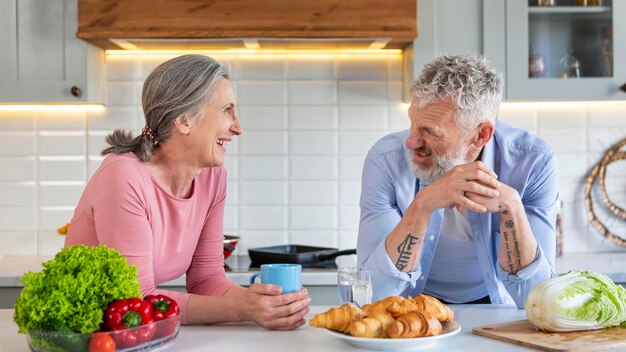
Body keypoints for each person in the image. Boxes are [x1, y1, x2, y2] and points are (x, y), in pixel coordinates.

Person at [65, 54, 310, 330]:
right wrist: (242, 308)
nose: (238, 127)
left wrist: (262, 304)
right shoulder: (124, 177)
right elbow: (138, 300)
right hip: (85, 334)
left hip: (133, 337)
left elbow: (205, 278)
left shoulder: (212, 177)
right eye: (227, 110)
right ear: (184, 121)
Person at [357, 54, 559, 308]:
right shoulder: (385, 159)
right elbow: (371, 293)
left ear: (481, 135)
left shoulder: (533, 162)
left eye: (430, 132)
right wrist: (424, 203)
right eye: (413, 123)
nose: (411, 142)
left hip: (495, 313)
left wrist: (512, 207)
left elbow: (538, 298)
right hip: (410, 311)